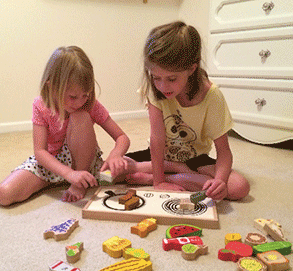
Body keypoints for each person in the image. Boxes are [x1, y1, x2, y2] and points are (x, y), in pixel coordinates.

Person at [125, 21, 250, 200]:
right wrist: (158, 183)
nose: (162, 86)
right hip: (160, 155)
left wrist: (220, 181)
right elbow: (157, 139)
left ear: (192, 68)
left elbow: (223, 150)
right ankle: (173, 169)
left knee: (239, 187)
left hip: (195, 159)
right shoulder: (154, 88)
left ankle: (167, 172)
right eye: (156, 78)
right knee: (107, 170)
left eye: (171, 78)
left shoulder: (212, 96)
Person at [0, 46, 130, 206]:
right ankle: (62, 179)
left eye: (85, 95)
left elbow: (122, 137)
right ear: (51, 86)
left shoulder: (89, 105)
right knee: (4, 194)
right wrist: (67, 174)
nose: (80, 101)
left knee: (133, 170)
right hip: (52, 162)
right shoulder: (40, 105)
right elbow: (40, 152)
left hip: (84, 161)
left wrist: (116, 155)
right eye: (73, 96)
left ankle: (79, 182)